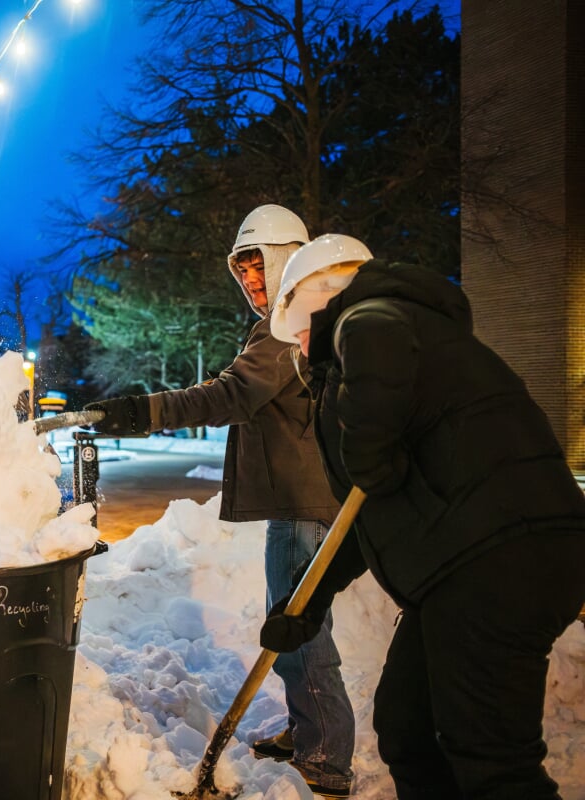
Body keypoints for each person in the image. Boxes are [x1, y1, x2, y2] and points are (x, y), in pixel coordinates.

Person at [260, 234, 585, 798]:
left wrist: (365, 443)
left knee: (491, 759)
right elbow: (368, 509)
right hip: (458, 567)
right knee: (408, 729)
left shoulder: (373, 319)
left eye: (304, 331)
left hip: (498, 555)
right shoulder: (396, 352)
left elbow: (372, 348)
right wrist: (306, 604)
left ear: (323, 298)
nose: (304, 348)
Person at [85, 205, 355, 798]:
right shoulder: (308, 317)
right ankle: (311, 731)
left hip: (305, 504)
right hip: (306, 500)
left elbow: (230, 395)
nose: (254, 286)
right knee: (298, 628)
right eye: (246, 276)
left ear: (290, 258)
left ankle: (327, 759)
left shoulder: (293, 324)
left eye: (263, 270)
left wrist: (144, 412)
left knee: (300, 635)